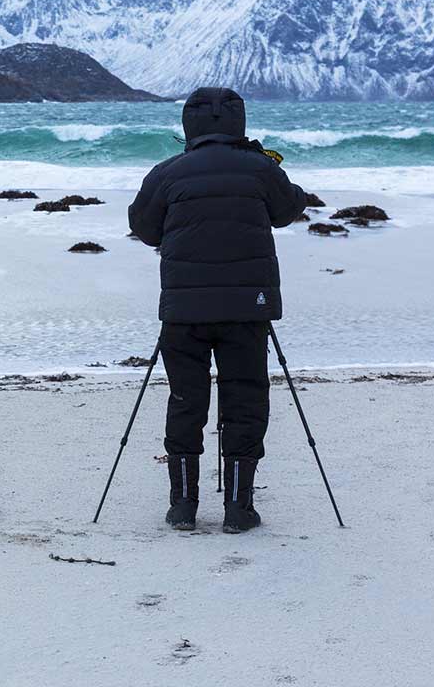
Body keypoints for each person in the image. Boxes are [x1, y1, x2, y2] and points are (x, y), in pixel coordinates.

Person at [127, 87, 309, 533]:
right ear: (238, 123)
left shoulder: (168, 172)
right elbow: (289, 209)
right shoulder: (259, 167)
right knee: (245, 398)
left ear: (189, 126)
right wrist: (262, 164)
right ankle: (238, 507)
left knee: (186, 399)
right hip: (248, 308)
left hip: (184, 309)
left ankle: (183, 506)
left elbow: (143, 227)